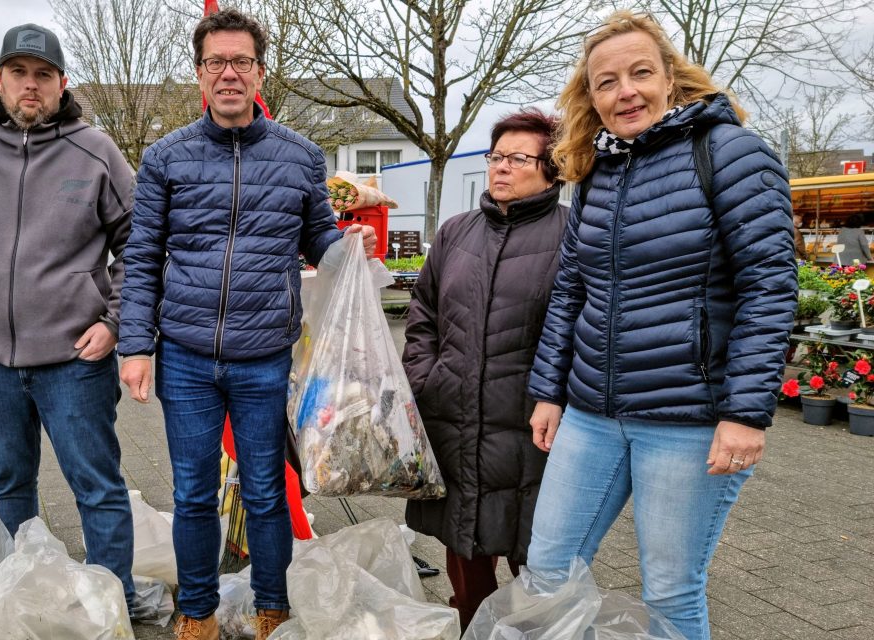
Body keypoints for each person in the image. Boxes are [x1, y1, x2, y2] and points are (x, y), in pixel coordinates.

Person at [524, 11, 796, 640]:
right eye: (607, 81)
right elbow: (571, 290)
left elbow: (769, 285)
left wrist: (745, 414)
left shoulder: (730, 153)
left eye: (640, 73)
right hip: (592, 413)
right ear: (589, 97)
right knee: (547, 571)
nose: (626, 92)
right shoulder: (596, 170)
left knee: (670, 592)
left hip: (688, 420)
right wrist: (548, 390)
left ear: (670, 78)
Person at [116, 9, 375, 639]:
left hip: (265, 355)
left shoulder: (300, 156)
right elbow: (142, 254)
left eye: (241, 62)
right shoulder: (165, 157)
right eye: (216, 62)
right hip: (185, 354)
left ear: (259, 71)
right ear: (199, 73)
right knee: (193, 494)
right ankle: (198, 610)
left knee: (265, 491)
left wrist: (346, 247)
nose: (228, 73)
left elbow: (316, 236)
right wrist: (134, 347)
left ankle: (272, 606)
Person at [0, 23, 139, 607]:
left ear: (61, 83)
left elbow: (141, 242)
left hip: (76, 358)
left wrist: (115, 321)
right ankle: (14, 600)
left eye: (43, 75)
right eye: (18, 73)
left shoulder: (95, 152)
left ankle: (110, 603)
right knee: (8, 487)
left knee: (96, 488)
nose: (31, 85)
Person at [401, 108, 569, 628]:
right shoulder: (456, 232)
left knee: (537, 553)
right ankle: (473, 628)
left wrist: (557, 396)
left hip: (531, 424)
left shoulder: (574, 234)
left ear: (552, 168)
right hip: (453, 414)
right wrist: (425, 376)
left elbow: (582, 328)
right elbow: (422, 314)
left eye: (518, 158)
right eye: (496, 156)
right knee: (464, 542)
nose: (500, 167)